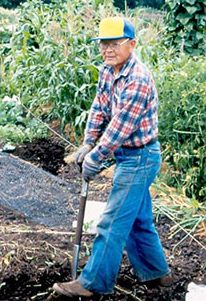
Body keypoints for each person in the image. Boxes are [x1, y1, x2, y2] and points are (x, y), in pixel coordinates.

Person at [53, 17, 172, 297]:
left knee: (112, 221)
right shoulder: (109, 70)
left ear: (132, 44)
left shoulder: (138, 78)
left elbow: (120, 127)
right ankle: (158, 275)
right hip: (128, 157)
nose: (107, 49)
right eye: (103, 44)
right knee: (138, 221)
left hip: (141, 158)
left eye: (114, 44)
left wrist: (96, 157)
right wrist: (87, 142)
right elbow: (99, 108)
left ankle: (93, 283)